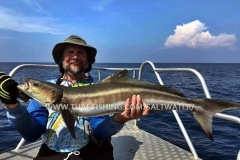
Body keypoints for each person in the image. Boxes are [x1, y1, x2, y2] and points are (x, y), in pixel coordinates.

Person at [0, 35, 149, 160]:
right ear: (61, 59)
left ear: (88, 60)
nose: (75, 56)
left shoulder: (99, 90)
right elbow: (32, 133)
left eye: (81, 53)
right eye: (70, 52)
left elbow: (100, 131)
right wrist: (12, 105)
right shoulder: (46, 90)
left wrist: (120, 118)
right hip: (52, 152)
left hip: (92, 151)